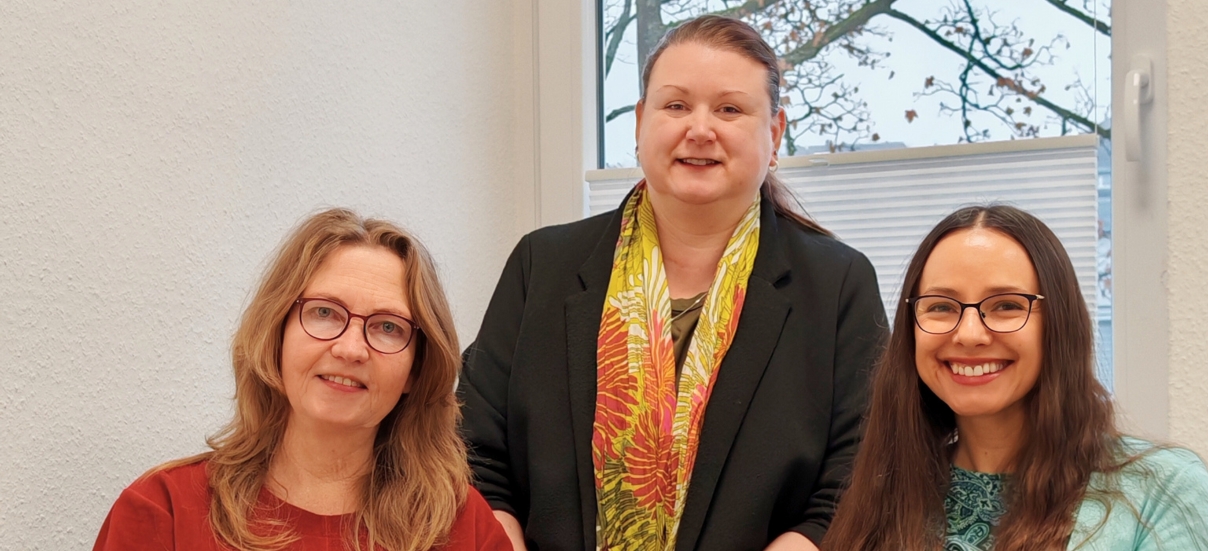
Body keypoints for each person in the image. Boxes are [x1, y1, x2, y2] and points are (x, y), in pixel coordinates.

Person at [457, 15, 887, 551]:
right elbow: (474, 450)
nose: (700, 129)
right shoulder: (541, 266)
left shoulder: (838, 285)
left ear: (775, 134)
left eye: (729, 109)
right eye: (676, 105)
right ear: (641, 122)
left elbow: (860, 474)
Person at [94, 209, 511, 551]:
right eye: (324, 312)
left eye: (388, 327)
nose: (351, 349)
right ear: (276, 335)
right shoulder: (162, 511)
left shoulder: (466, 528)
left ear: (415, 370)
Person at [824, 205, 1208, 550]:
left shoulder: (1164, 490)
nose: (969, 334)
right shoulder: (882, 492)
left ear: (1059, 325)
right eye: (941, 306)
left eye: (1006, 305)